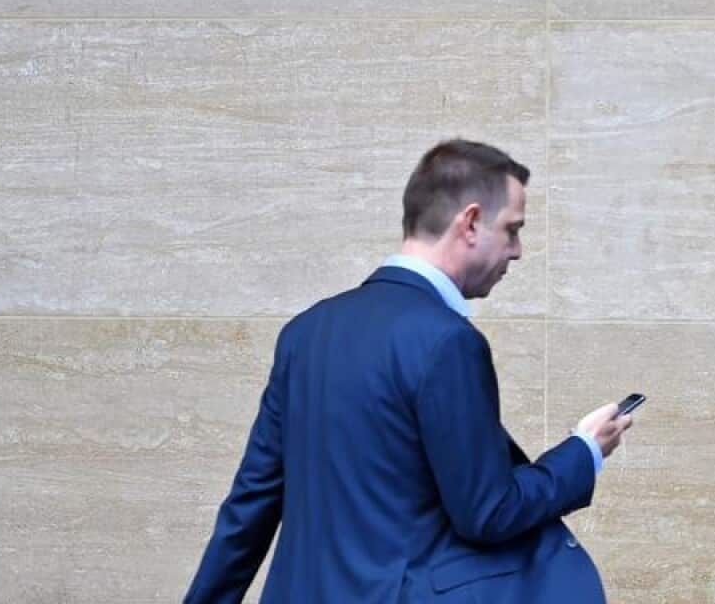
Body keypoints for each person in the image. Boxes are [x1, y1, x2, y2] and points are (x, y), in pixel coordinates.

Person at [185, 139, 633, 603]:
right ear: (472, 222)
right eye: (512, 230)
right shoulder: (447, 341)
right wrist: (584, 452)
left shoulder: (305, 333)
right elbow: (487, 511)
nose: (517, 251)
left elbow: (249, 508)